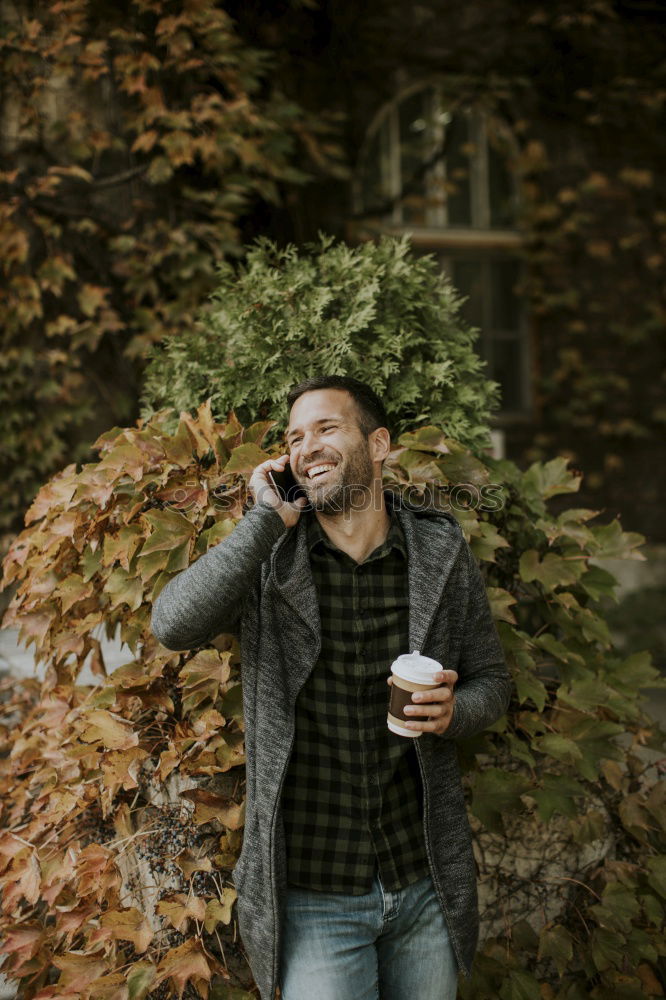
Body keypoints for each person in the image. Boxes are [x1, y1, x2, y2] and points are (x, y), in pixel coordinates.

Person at [151, 375, 512, 1000]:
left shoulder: (438, 551)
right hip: (314, 894)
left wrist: (456, 710)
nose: (306, 446)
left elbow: (494, 682)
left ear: (378, 444)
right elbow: (172, 625)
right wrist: (267, 521)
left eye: (326, 428)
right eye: (294, 437)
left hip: (422, 879)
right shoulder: (272, 560)